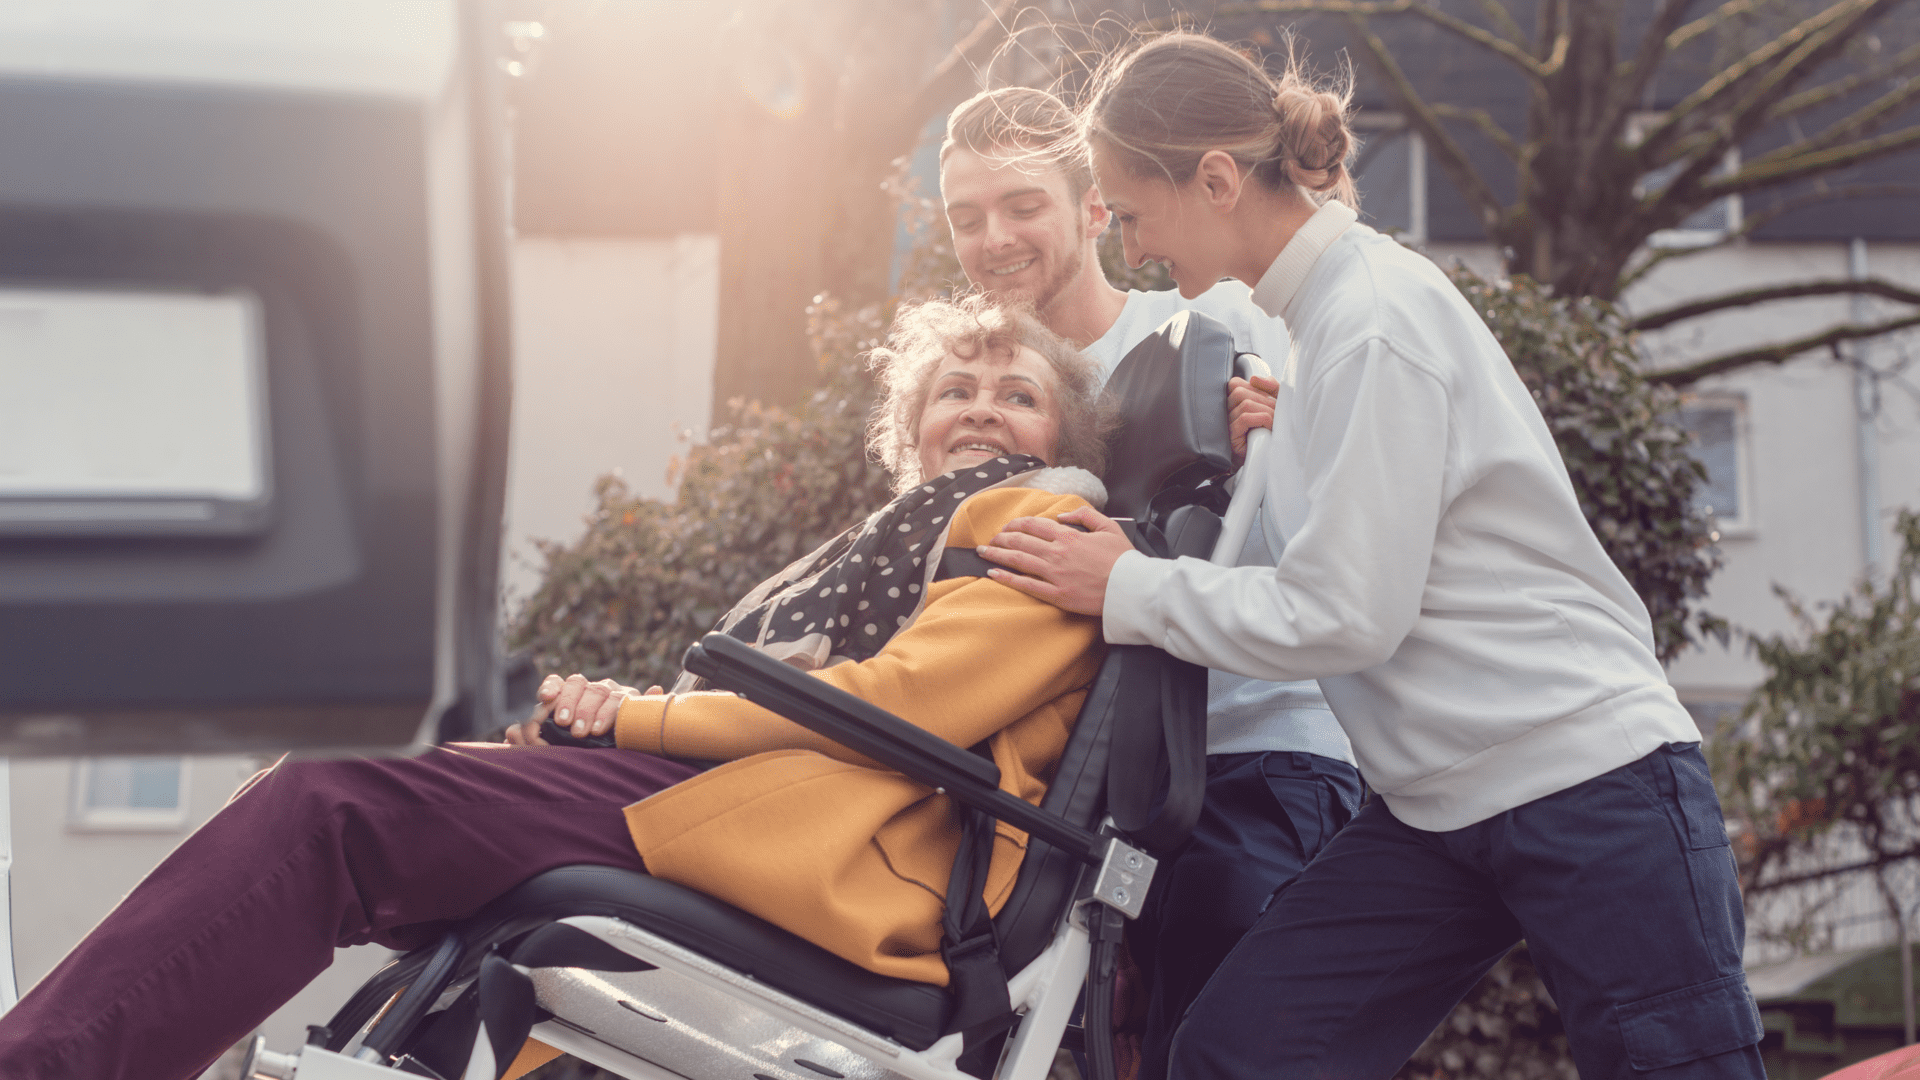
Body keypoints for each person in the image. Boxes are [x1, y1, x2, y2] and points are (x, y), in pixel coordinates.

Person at [0, 295, 1119, 1080]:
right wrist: (599, 723)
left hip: (846, 849)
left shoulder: (1044, 521)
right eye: (954, 390)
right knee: (373, 795)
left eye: (1017, 394)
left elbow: (897, 709)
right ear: (909, 434)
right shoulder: (881, 540)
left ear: (1064, 434)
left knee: (336, 800)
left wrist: (632, 718)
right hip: (759, 803)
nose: (980, 409)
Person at [976, 32, 1765, 1080]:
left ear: (1214, 180)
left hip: (1589, 780)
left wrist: (1125, 586)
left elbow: (1347, 616)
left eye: (1129, 213)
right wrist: (1283, 429)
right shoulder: (1317, 333)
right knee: (1236, 1053)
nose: (1129, 245)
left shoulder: (1372, 321)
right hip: (1439, 810)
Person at [940, 85, 1362, 1078]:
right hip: (1074, 795)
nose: (992, 238)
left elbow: (1342, 513)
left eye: (1021, 205)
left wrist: (1289, 433)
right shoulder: (981, 393)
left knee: (1217, 1040)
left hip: (1247, 759)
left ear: (1097, 209)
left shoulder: (1210, 320)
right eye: (966, 217)